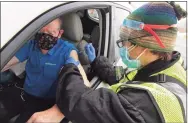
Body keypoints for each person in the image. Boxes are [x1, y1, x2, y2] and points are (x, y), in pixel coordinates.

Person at [27, 2, 187, 123]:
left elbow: (77, 101)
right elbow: (118, 76)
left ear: (145, 44)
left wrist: (71, 64)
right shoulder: (160, 69)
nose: (123, 44)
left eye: (127, 39)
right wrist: (96, 60)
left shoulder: (145, 104)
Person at [0, 18, 90, 123]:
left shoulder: (67, 51)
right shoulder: (32, 45)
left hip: (50, 103)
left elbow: (85, 85)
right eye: (42, 32)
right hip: (27, 96)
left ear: (59, 33)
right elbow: (5, 62)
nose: (45, 36)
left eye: (51, 33)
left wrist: (56, 112)